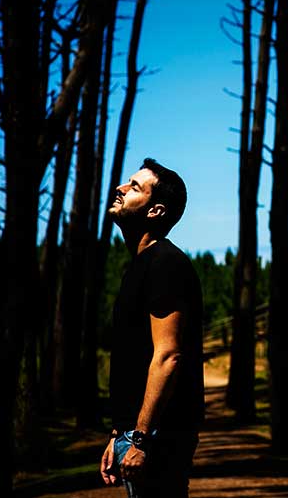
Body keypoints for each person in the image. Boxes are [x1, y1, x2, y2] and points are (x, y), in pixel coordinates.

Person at [99, 158, 204, 498]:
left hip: (160, 434)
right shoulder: (140, 267)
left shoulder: (165, 265)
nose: (121, 188)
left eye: (134, 187)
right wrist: (119, 434)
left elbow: (168, 355)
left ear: (156, 211)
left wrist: (141, 439)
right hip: (137, 433)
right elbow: (134, 358)